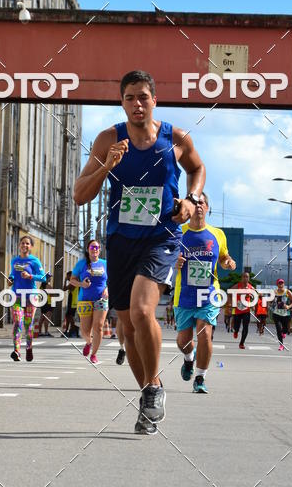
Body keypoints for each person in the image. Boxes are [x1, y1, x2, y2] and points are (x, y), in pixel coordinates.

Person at [73, 70, 206, 434]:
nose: (137, 104)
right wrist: (105, 166)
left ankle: (152, 390)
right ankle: (151, 391)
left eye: (143, 96)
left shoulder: (175, 138)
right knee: (127, 328)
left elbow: (197, 168)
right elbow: (79, 194)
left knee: (142, 309)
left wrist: (192, 200)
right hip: (121, 241)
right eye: (129, 97)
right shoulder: (107, 140)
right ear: (122, 102)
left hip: (161, 236)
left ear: (154, 100)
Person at [174, 193, 236, 394]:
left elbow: (224, 257)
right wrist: (174, 262)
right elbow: (164, 257)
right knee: (183, 341)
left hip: (209, 294)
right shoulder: (177, 232)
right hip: (184, 295)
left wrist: (228, 262)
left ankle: (200, 378)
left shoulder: (217, 234)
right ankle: (188, 360)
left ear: (207, 208)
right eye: (194, 203)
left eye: (202, 202)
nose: (198, 206)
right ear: (188, 208)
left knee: (204, 333)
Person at [8, 234, 46, 362]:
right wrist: (10, 279)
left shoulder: (34, 261)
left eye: (27, 243)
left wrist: (30, 276)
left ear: (31, 246)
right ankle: (16, 351)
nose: (24, 245)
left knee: (28, 324)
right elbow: (12, 274)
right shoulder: (14, 261)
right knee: (18, 322)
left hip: (31, 296)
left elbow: (43, 277)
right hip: (16, 295)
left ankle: (29, 348)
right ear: (19, 245)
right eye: (22, 243)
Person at [70, 240, 109, 364]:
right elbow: (72, 280)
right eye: (92, 247)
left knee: (98, 327)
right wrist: (81, 284)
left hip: (101, 300)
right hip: (85, 300)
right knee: (85, 330)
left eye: (97, 247)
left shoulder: (105, 264)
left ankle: (94, 354)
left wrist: (107, 289)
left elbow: (112, 279)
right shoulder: (81, 264)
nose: (95, 249)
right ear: (88, 249)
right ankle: (89, 342)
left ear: (100, 249)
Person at [230, 270, 255, 350]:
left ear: (249, 278)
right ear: (241, 278)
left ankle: (241, 343)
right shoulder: (237, 286)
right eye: (244, 276)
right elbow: (229, 292)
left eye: (247, 277)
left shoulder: (251, 288)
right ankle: (236, 331)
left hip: (246, 310)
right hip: (238, 310)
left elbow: (254, 297)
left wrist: (252, 303)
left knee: (245, 327)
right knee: (236, 326)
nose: (245, 278)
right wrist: (231, 303)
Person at [271, 278, 292, 351]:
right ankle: (281, 345)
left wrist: (288, 306)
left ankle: (284, 332)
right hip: (276, 314)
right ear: (277, 285)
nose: (281, 284)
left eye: (282, 283)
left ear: (283, 284)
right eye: (279, 283)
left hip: (285, 314)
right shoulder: (274, 292)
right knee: (278, 329)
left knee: (285, 330)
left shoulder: (287, 292)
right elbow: (270, 301)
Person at [62, 271, 75, 337]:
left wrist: (65, 281)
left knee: (69, 316)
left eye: (67, 276)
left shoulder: (73, 283)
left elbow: (64, 289)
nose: (67, 278)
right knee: (68, 316)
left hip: (73, 301)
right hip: (72, 301)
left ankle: (72, 329)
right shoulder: (73, 282)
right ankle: (68, 330)